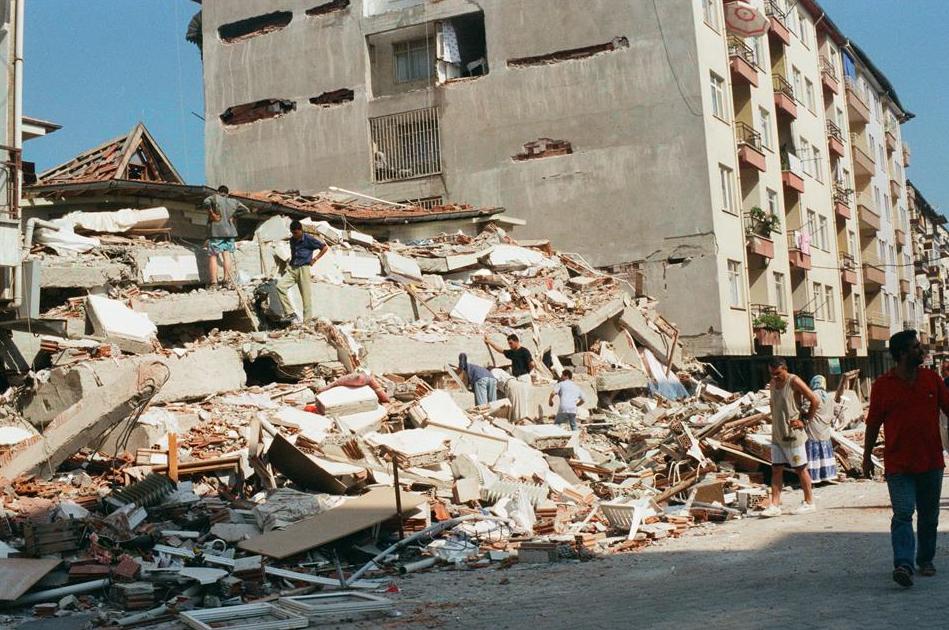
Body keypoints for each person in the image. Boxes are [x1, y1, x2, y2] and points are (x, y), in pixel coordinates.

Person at [863, 329, 949, 588]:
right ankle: (903, 563)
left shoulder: (931, 380)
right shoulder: (883, 386)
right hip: (899, 464)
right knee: (902, 513)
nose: (921, 351)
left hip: (931, 461)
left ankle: (925, 559)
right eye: (915, 348)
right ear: (902, 354)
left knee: (929, 515)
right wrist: (866, 457)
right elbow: (872, 423)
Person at [760, 357, 819, 517]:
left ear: (785, 369)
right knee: (776, 469)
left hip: (793, 434)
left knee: (800, 468)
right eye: (772, 374)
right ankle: (775, 505)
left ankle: (809, 502)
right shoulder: (772, 383)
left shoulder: (794, 381)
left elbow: (814, 399)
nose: (774, 376)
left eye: (778, 373)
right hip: (777, 433)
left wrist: (804, 420)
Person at [276, 220, 330, 323]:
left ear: (301, 230)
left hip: (304, 269)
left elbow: (324, 247)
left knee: (306, 297)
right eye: (293, 233)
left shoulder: (309, 239)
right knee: (280, 286)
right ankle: (290, 312)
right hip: (292, 269)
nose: (294, 235)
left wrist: (315, 259)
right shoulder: (292, 240)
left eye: (296, 233)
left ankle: (306, 322)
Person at [203, 185, 249, 288]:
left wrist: (212, 213)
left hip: (216, 232)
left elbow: (205, 202)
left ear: (218, 192)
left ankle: (214, 283)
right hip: (229, 233)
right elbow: (246, 210)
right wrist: (234, 216)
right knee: (226, 256)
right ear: (227, 194)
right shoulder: (234, 201)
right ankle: (226, 280)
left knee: (213, 256)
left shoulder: (214, 197)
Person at [803, 375, 838, 485]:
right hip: (825, 428)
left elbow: (805, 409)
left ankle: (814, 477)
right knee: (825, 451)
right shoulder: (828, 397)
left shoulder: (811, 395)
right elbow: (834, 411)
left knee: (814, 451)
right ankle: (826, 475)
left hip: (813, 426)